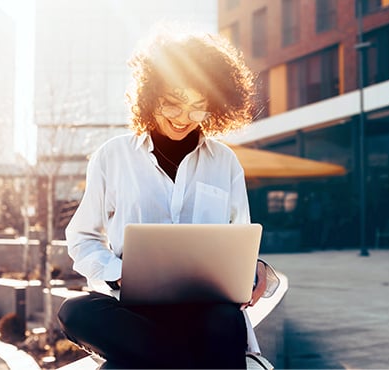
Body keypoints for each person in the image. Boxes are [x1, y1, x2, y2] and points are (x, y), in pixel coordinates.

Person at [57, 23, 279, 369]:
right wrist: (118, 272)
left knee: (222, 325)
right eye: (172, 104)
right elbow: (82, 238)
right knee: (74, 312)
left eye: (198, 107)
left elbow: (241, 241)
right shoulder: (113, 156)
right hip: (134, 311)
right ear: (150, 95)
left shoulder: (225, 162)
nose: (183, 118)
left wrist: (254, 268)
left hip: (208, 312)